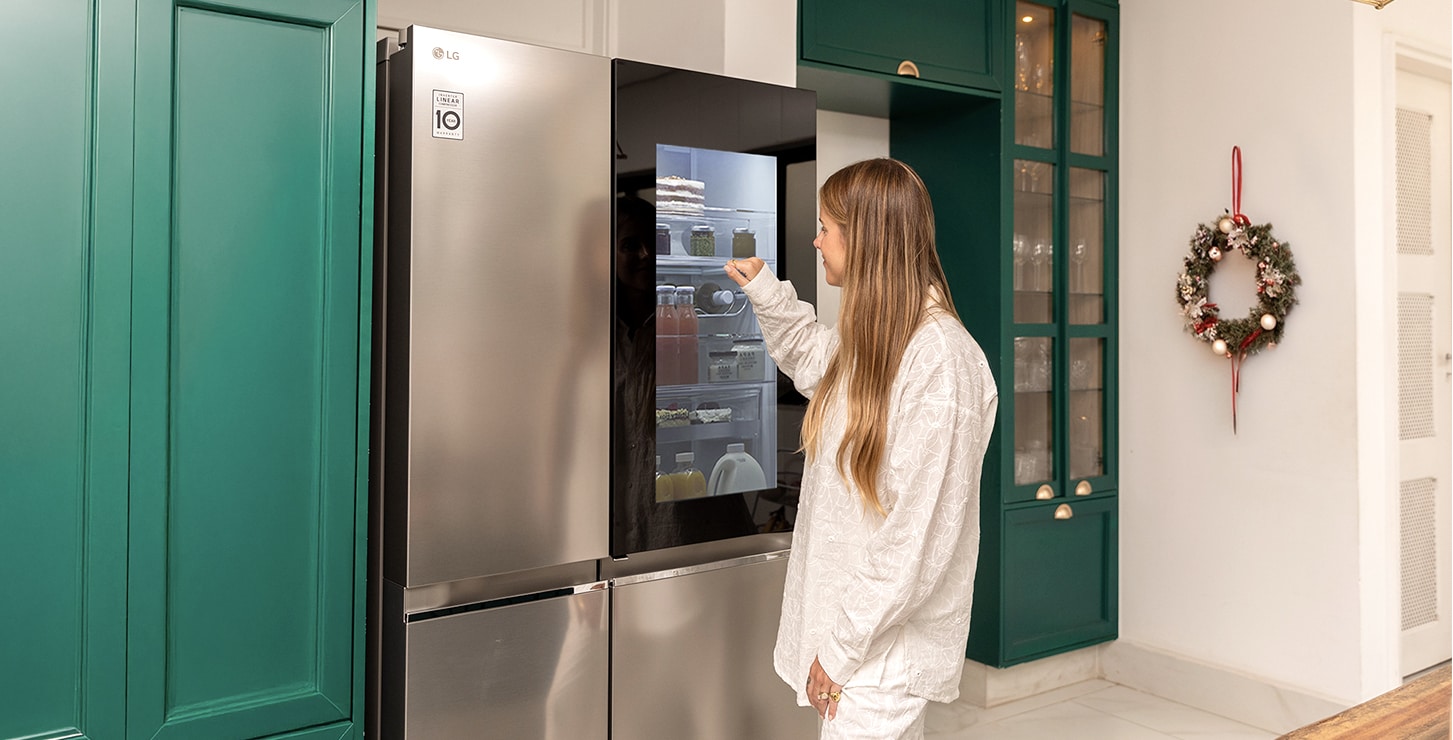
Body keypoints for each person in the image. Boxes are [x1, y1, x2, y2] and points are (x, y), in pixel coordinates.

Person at [723, 158, 998, 739]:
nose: (815, 240)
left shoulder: (941, 363)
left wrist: (842, 649)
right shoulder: (882, 343)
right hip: (864, 649)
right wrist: (764, 290)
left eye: (826, 227)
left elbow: (915, 538)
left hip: (881, 657)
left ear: (866, 239)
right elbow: (817, 362)